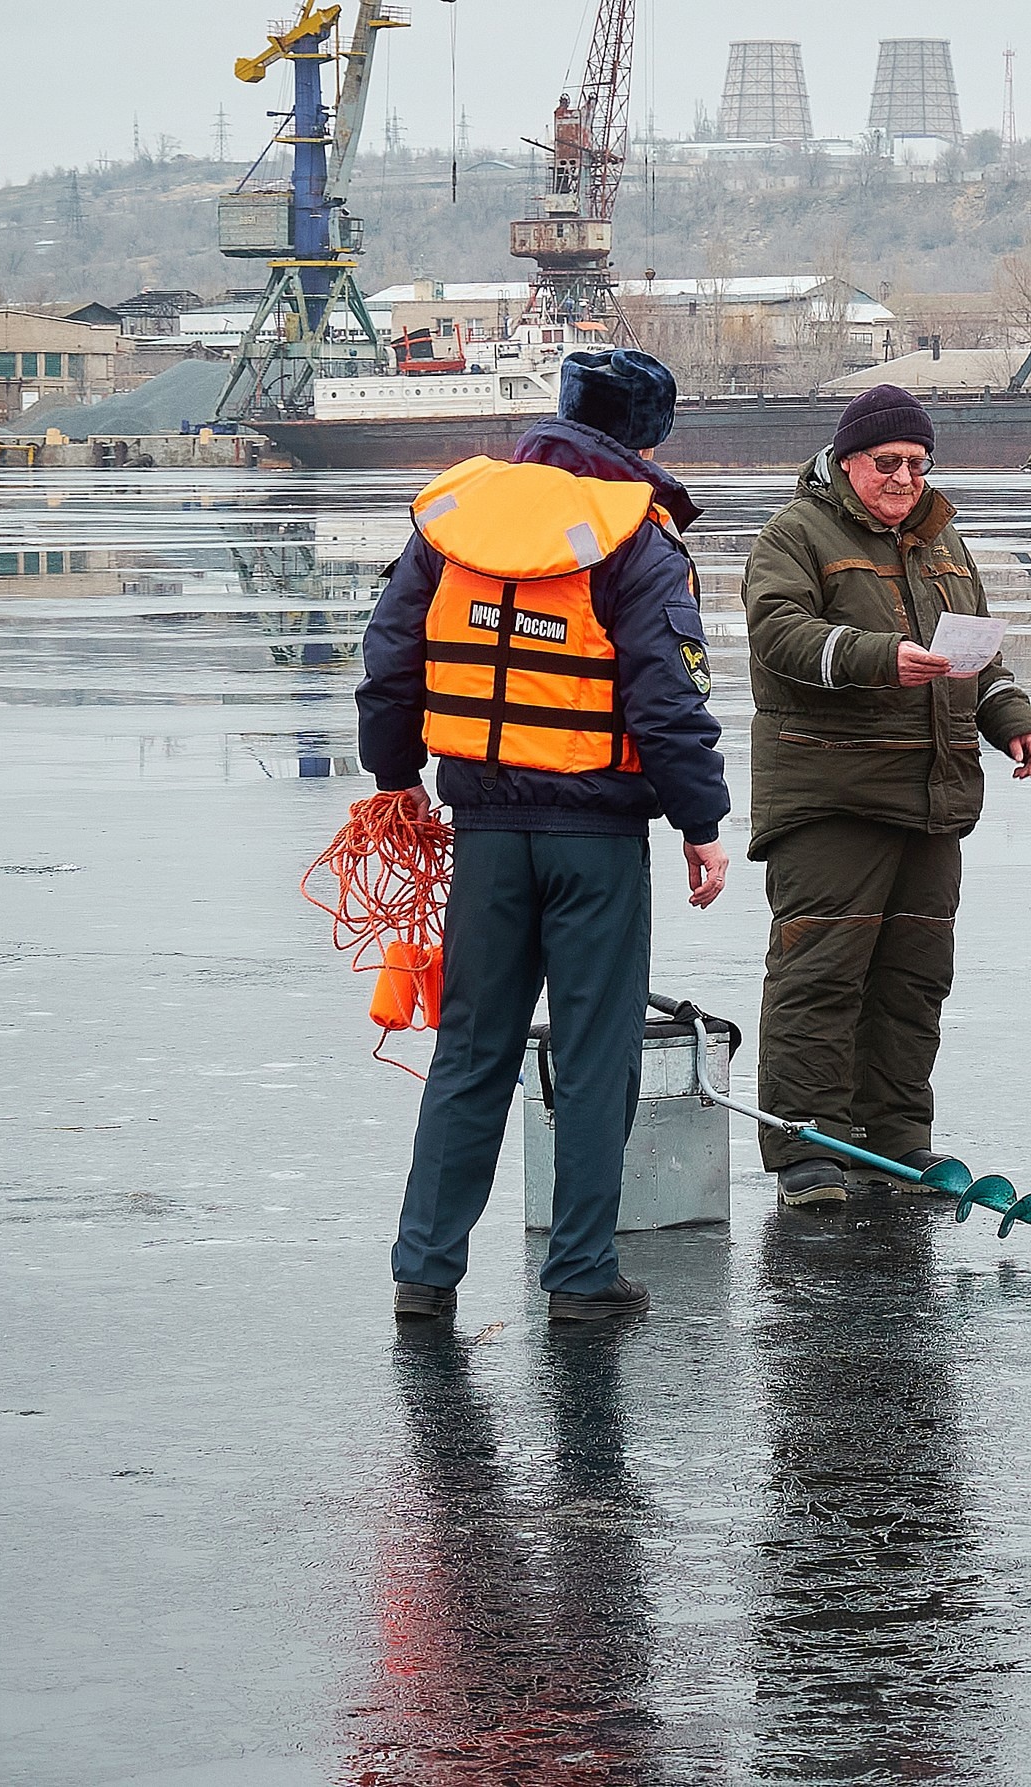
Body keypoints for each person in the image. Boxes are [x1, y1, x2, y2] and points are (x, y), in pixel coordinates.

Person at [358, 348, 731, 1324]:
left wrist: (395, 777)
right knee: (594, 1048)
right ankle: (579, 1274)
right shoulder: (635, 540)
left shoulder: (456, 521)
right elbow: (667, 693)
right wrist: (700, 822)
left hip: (482, 830)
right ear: (643, 438)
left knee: (470, 1047)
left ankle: (424, 1270)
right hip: (595, 839)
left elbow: (391, 654)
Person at [740, 384, 1031, 1208]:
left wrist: (1011, 717)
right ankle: (809, 1147)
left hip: (930, 801)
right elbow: (779, 636)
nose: (905, 477)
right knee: (821, 976)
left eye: (917, 463)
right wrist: (882, 656)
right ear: (849, 463)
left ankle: (896, 1141)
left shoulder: (943, 545)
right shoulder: (793, 535)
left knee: (914, 979)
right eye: (889, 463)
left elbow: (977, 652)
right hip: (830, 799)